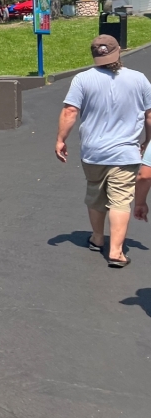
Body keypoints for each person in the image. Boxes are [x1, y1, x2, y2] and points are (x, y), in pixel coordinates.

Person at [55, 35, 151, 268]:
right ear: (119, 52)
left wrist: (60, 139)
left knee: (96, 194)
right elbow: (149, 115)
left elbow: (70, 112)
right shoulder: (139, 79)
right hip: (125, 153)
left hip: (93, 151)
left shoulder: (83, 79)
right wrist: (148, 140)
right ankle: (116, 252)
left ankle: (98, 237)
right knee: (120, 200)